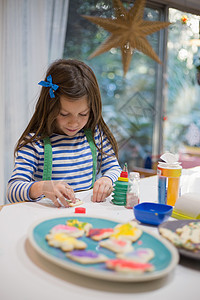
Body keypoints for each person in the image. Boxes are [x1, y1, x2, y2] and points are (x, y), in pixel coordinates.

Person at [7, 59, 121, 207]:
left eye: (83, 114)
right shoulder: (36, 143)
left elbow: (115, 168)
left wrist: (108, 180)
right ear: (50, 107)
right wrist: (42, 187)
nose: (74, 123)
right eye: (64, 114)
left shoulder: (95, 135)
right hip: (47, 221)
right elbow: (12, 190)